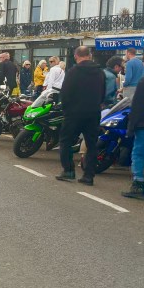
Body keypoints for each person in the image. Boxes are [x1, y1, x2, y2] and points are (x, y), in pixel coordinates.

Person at [55, 46, 105, 185]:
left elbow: (65, 93)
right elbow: (103, 93)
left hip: (74, 113)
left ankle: (68, 170)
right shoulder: (100, 72)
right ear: (89, 56)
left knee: (65, 141)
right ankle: (89, 176)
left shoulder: (73, 72)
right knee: (91, 145)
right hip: (93, 113)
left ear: (76, 56)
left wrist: (66, 110)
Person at [121, 75, 144, 199]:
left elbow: (138, 105)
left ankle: (138, 184)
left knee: (139, 154)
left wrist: (131, 126)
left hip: (143, 124)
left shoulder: (143, 81)